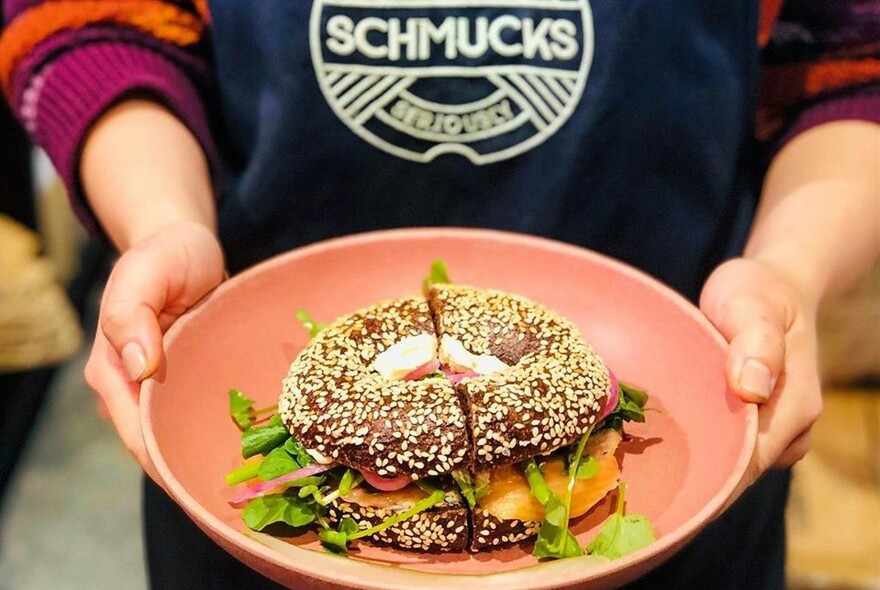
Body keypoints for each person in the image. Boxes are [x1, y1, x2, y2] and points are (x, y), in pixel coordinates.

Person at [1, 1, 877, 588]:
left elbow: (854, 58)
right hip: (260, 507)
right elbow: (90, 18)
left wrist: (790, 271)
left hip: (690, 453)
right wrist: (160, 220)